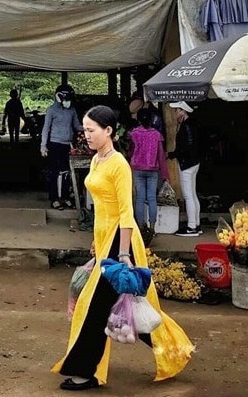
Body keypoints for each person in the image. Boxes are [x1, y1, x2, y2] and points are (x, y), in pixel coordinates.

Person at [52, 105, 193, 390]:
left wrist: (124, 254)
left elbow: (126, 213)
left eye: (91, 130)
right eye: (85, 129)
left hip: (121, 242)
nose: (86, 135)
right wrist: (96, 240)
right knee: (123, 307)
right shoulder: (96, 161)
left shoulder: (119, 165)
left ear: (109, 132)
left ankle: (85, 372)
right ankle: (175, 350)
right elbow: (102, 209)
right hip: (106, 240)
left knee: (97, 308)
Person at [128, 108, 169, 245]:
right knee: (151, 198)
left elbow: (131, 152)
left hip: (138, 169)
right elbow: (161, 156)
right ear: (151, 120)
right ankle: (152, 228)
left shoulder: (134, 134)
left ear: (138, 119)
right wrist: (165, 174)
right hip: (153, 170)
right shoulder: (156, 135)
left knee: (140, 198)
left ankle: (140, 227)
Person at [42, 83, 83, 210]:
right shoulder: (51, 110)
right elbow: (46, 128)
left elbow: (77, 126)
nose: (67, 102)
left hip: (67, 145)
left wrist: (90, 127)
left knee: (66, 172)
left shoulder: (72, 110)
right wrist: (43, 146)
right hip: (54, 144)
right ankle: (54, 199)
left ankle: (65, 197)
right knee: (54, 172)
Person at [169, 102, 202, 237]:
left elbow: (186, 147)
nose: (175, 113)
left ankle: (191, 227)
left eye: (177, 110)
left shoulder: (186, 126)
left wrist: (174, 154)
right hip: (193, 163)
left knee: (188, 196)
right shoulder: (191, 124)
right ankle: (196, 224)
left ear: (183, 111)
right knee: (192, 194)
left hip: (187, 164)